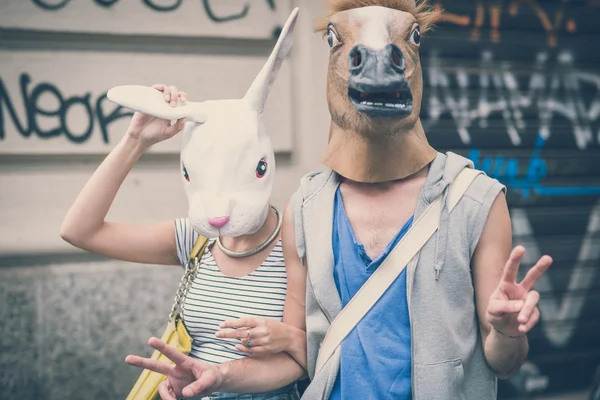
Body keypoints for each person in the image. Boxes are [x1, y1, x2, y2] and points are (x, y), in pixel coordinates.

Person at [125, 1, 553, 399]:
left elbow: (504, 361)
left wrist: (507, 331)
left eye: (411, 39)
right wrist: (219, 374)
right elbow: (299, 357)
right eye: (337, 40)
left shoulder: (475, 200)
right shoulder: (307, 206)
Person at [60, 83, 304, 400]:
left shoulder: (295, 235)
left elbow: (298, 359)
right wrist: (135, 141)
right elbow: (79, 230)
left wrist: (218, 376)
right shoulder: (196, 238)